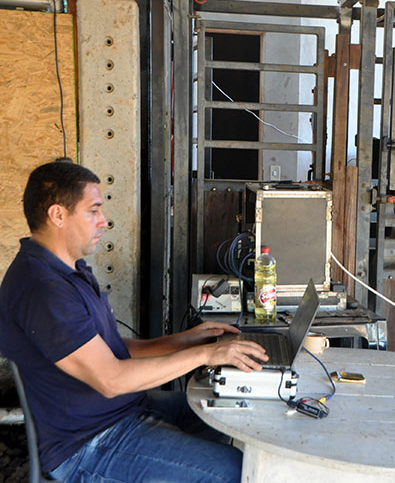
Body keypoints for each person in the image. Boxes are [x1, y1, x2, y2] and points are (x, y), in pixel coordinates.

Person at [0, 160, 269, 482]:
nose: (104, 221)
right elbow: (111, 379)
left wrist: (184, 340)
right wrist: (207, 355)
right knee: (234, 470)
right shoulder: (43, 289)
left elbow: (107, 350)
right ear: (58, 215)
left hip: (122, 412)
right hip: (87, 443)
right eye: (93, 210)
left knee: (224, 408)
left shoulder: (68, 271)